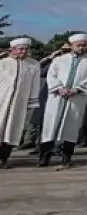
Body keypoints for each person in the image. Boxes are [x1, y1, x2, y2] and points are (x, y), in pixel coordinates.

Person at [39, 33, 87, 168]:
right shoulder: (59, 60)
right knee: (50, 126)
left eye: (84, 45)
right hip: (57, 97)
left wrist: (77, 89)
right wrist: (59, 88)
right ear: (72, 45)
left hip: (76, 97)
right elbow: (51, 75)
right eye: (79, 45)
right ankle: (45, 156)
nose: (81, 48)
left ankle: (66, 157)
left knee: (72, 127)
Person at [0, 37, 41, 168]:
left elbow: (35, 84)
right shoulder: (3, 63)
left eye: (26, 49)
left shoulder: (34, 64)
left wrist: (32, 101)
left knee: (12, 130)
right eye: (21, 49)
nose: (24, 52)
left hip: (19, 103)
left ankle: (4, 158)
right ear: (13, 49)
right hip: (2, 101)